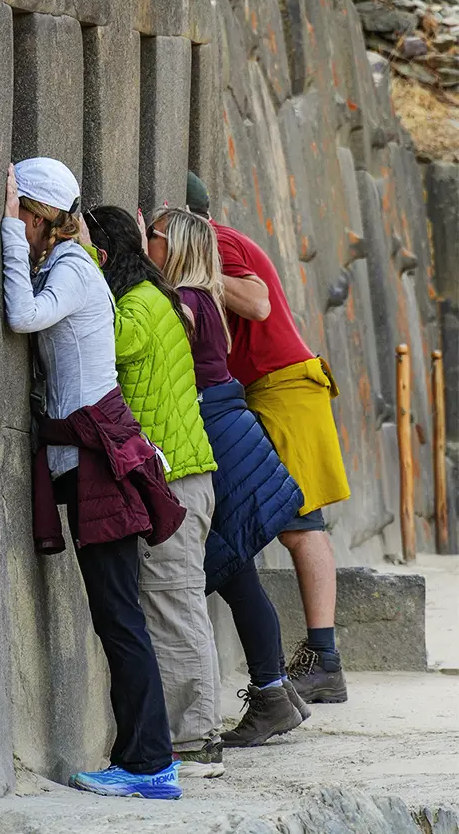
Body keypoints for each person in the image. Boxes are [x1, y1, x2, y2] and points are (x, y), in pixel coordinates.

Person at [1, 157, 182, 800]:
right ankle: (144, 759)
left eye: (24, 215)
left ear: (44, 218)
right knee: (117, 616)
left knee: (119, 617)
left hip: (99, 460)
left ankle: (149, 765)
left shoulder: (75, 270)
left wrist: (1, 231)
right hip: (87, 457)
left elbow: (22, 316)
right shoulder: (71, 264)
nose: (18, 225)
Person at [146, 206, 309, 747]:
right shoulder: (207, 302)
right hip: (226, 423)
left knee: (232, 571)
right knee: (240, 573)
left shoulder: (187, 304)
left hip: (214, 430)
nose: (148, 244)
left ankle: (268, 694)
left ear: (178, 247)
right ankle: (273, 692)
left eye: (154, 237)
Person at [186, 171, 350, 704]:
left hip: (282, 387)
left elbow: (254, 304)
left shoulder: (217, 242)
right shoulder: (218, 243)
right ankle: (311, 661)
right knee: (289, 523)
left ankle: (324, 660)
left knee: (301, 525)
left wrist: (196, 273)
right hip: (266, 390)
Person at [84, 206, 224, 778]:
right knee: (175, 604)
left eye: (94, 254)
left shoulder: (139, 304)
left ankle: (193, 742)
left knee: (173, 606)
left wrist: (77, 279)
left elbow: (104, 342)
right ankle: (188, 736)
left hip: (178, 481)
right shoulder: (155, 296)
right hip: (183, 476)